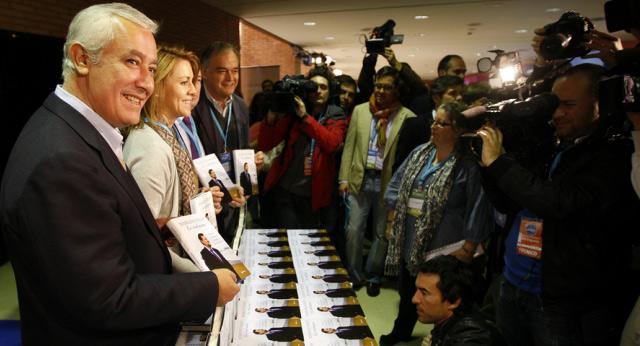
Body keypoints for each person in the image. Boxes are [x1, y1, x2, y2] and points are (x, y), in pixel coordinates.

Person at [0, 4, 239, 344]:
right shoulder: (62, 158)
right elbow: (108, 298)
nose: (147, 83)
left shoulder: (79, 133)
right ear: (82, 59)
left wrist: (158, 229)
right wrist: (209, 287)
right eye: (132, 62)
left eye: (152, 68)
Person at [477, 64, 639, 345]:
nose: (558, 113)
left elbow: (559, 203)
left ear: (599, 103)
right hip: (512, 285)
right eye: (554, 104)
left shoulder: (615, 154)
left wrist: (499, 163)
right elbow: (506, 203)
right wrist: (485, 164)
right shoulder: (549, 145)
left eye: (570, 104)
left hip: (564, 302)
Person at [381, 102, 494, 345]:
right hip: (411, 241)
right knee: (409, 292)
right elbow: (396, 186)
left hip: (448, 248)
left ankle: (441, 339)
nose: (434, 127)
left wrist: (468, 248)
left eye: (442, 123)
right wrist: (391, 221)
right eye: (435, 121)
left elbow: (478, 206)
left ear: (458, 130)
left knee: (443, 301)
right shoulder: (419, 153)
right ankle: (401, 331)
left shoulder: (467, 165)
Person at [122, 45, 225, 272]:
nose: (194, 91)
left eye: (193, 82)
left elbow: (168, 213)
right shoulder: (150, 146)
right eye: (184, 82)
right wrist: (202, 277)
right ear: (157, 87)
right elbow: (143, 237)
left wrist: (200, 202)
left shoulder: (167, 134)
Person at [339, 66, 417, 296]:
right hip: (359, 180)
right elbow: (349, 147)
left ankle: (373, 275)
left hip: (387, 183)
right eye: (378, 86)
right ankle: (354, 275)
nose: (381, 91)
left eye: (387, 87)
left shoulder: (407, 117)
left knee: (382, 233)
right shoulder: (361, 111)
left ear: (396, 89)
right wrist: (343, 177)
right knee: (354, 230)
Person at [259, 64, 347, 228]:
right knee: (288, 239)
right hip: (285, 189)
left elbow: (331, 143)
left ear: (330, 91)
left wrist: (305, 117)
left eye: (323, 87)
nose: (318, 91)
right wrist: (271, 116)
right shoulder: (294, 113)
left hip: (312, 193)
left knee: (307, 242)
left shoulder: (335, 114)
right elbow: (266, 144)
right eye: (313, 87)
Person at [191, 41, 264, 241]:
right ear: (204, 73)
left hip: (237, 199)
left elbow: (243, 150)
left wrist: (252, 164)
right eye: (222, 71)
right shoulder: (192, 107)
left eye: (234, 71)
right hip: (208, 204)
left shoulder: (240, 105)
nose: (230, 78)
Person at [411, 256, 505, 346]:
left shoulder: (473, 340)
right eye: (416, 290)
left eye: (424, 293)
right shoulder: (450, 324)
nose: (414, 299)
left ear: (454, 301)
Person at [393, 75, 465, 174]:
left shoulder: (464, 124)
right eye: (453, 93)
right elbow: (400, 166)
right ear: (436, 98)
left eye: (461, 93)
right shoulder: (415, 125)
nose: (459, 98)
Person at [409, 54, 466, 119]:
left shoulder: (464, 99)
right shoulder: (421, 102)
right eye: (457, 72)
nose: (462, 76)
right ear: (442, 73)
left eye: (463, 72)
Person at [175, 69, 205, 159]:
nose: (194, 89)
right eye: (185, 82)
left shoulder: (198, 117)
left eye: (198, 80)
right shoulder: (164, 127)